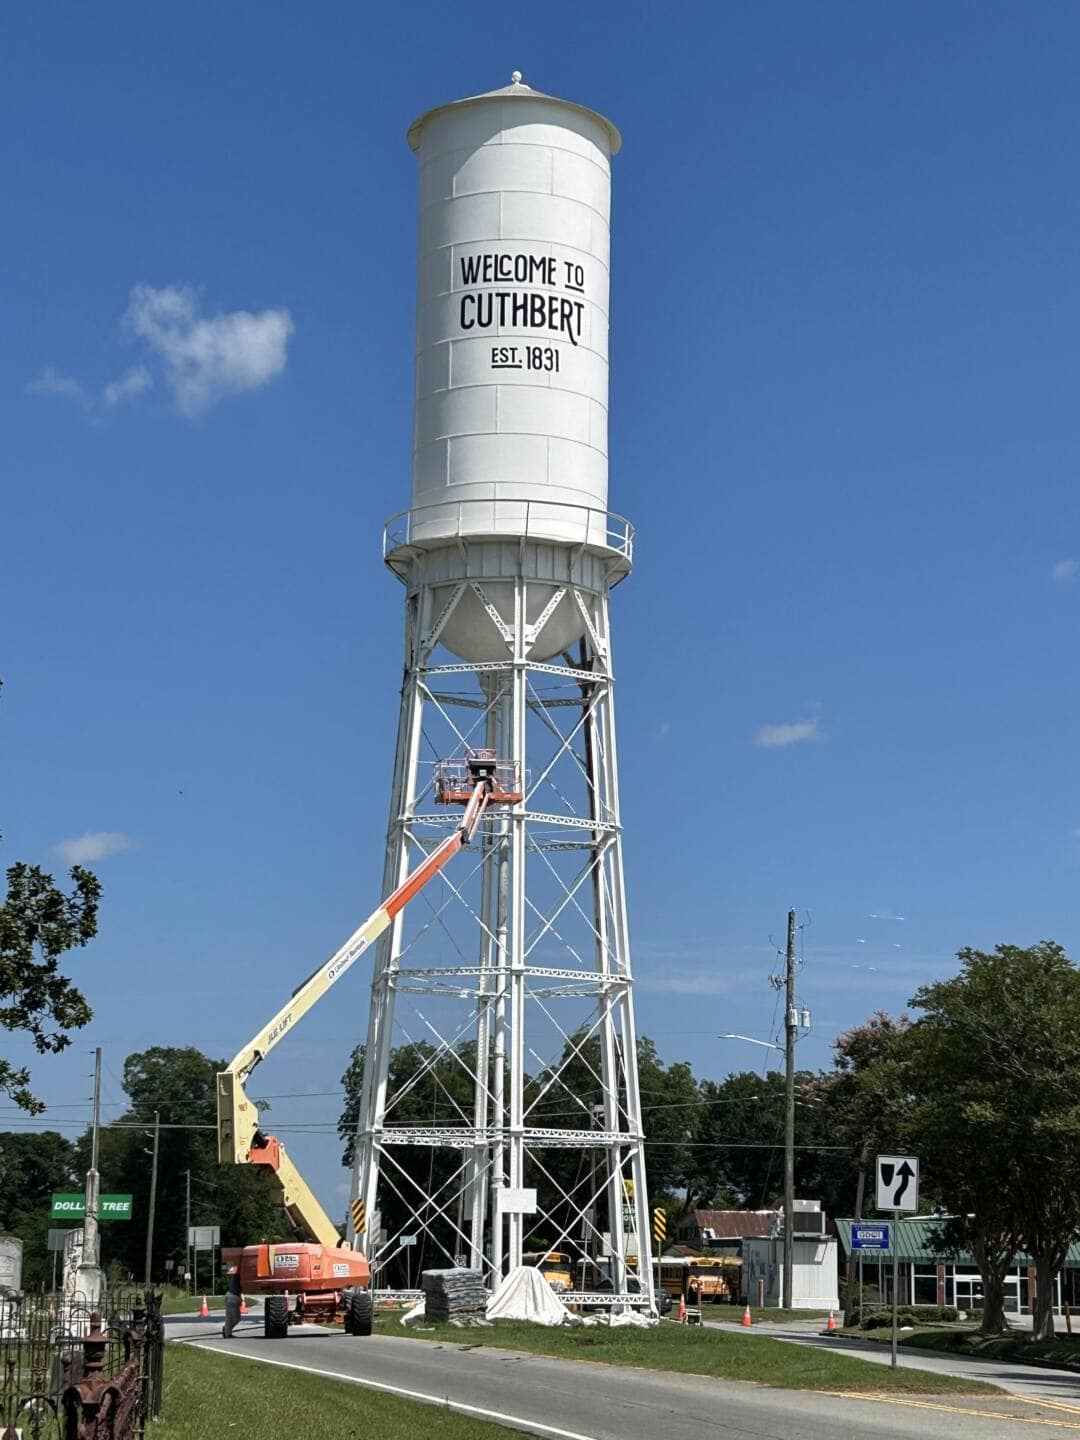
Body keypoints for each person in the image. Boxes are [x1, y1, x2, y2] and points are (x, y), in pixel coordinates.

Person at [222, 1265, 242, 1339]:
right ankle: (227, 1330)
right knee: (236, 1318)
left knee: (229, 1317)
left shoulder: (234, 1272)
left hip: (229, 1295)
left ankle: (227, 1333)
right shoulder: (239, 1273)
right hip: (234, 1296)